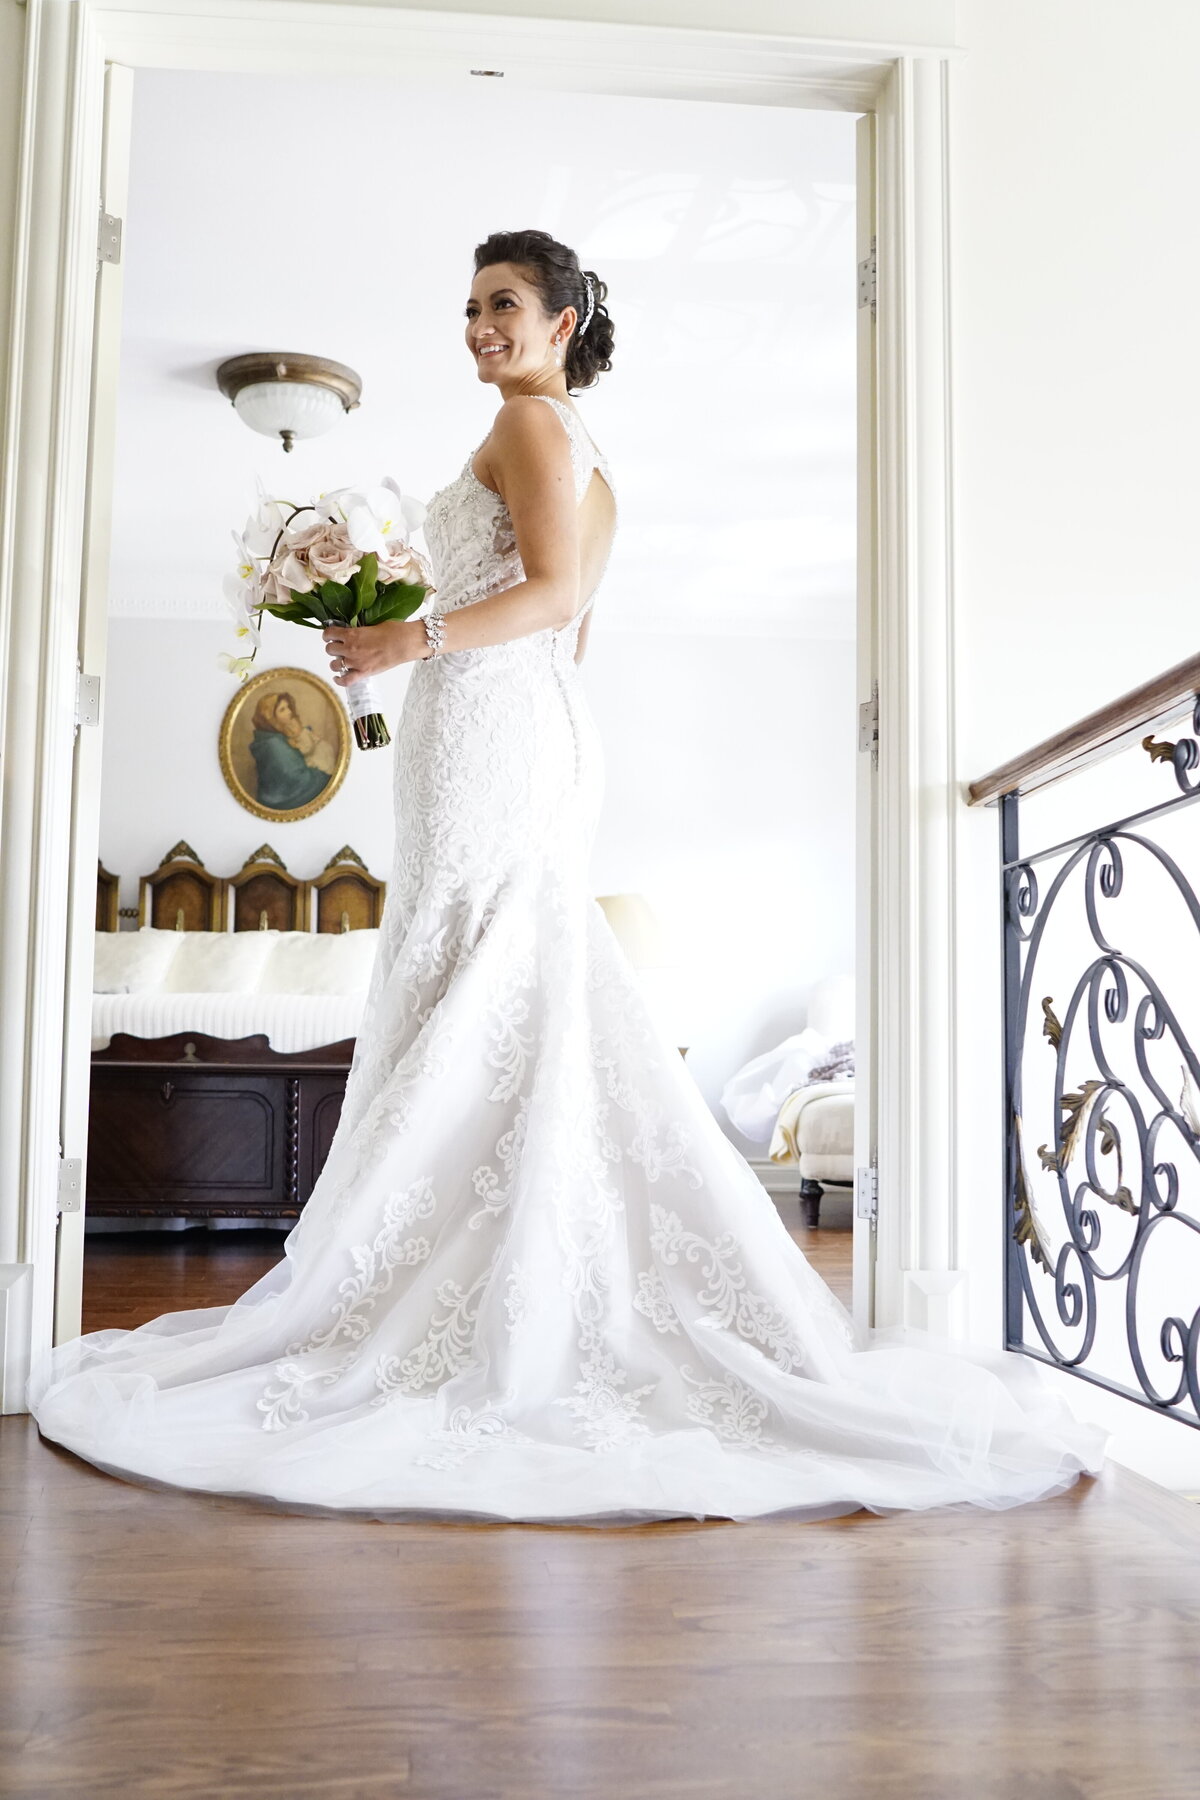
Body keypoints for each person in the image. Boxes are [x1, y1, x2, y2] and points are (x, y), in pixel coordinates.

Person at [27, 229, 1106, 1523]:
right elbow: (559, 613)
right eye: (470, 306)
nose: (479, 325)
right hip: (511, 719)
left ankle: (482, 1285)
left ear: (562, 316)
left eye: (502, 304)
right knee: (497, 977)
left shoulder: (538, 427)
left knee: (481, 967)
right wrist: (395, 631)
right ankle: (502, 1269)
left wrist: (412, 634)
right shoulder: (577, 448)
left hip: (496, 722)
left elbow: (545, 597)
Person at [248, 690, 331, 809]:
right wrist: (324, 777)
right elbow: (297, 780)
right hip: (281, 801)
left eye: (288, 707)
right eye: (282, 710)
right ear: (270, 717)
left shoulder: (277, 737)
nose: (290, 712)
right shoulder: (273, 744)